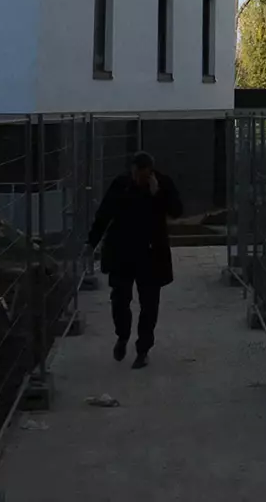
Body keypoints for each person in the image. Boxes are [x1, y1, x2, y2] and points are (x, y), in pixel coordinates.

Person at [87, 151, 182, 369]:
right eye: (136, 173)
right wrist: (92, 241)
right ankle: (122, 336)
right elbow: (104, 213)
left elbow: (177, 211)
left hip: (151, 253)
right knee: (119, 299)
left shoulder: (162, 184)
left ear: (150, 171)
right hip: (122, 251)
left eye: (143, 174)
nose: (139, 178)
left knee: (149, 303)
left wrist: (158, 194)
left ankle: (143, 349)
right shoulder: (121, 184)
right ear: (132, 170)